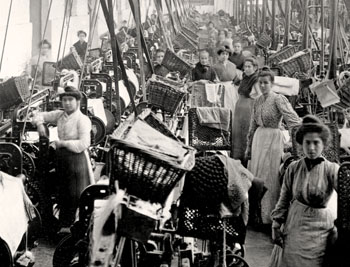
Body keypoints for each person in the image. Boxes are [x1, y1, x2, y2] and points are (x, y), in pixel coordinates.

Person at [269, 115, 338, 267]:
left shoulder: (331, 169)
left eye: (316, 143)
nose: (311, 148)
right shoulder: (293, 168)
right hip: (296, 222)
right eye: (307, 143)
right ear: (301, 144)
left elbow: (346, 197)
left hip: (321, 227)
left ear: (324, 144)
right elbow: (284, 197)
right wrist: (276, 224)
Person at [245, 68, 300, 227]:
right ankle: (255, 216)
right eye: (260, 83)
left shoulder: (278, 99)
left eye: (266, 83)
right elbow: (252, 126)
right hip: (258, 140)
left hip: (273, 141)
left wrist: (294, 142)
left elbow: (293, 120)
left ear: (272, 83)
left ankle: (269, 218)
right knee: (256, 176)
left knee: (270, 177)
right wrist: (248, 148)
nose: (262, 86)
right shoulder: (257, 101)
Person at [32, 86, 93, 228]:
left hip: (76, 162)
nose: (67, 103)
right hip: (62, 161)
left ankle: (70, 230)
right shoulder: (60, 115)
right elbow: (38, 115)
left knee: (74, 196)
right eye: (64, 100)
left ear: (77, 101)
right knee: (62, 194)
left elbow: (84, 143)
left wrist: (61, 143)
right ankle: (61, 226)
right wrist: (40, 125)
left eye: (70, 100)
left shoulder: (82, 120)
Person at [232, 58, 260, 167]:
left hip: (248, 108)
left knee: (245, 132)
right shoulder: (245, 77)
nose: (247, 69)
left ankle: (244, 159)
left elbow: (259, 94)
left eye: (249, 67)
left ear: (255, 68)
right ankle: (237, 157)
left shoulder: (255, 79)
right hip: (240, 108)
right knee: (238, 132)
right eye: (245, 66)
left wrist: (252, 100)